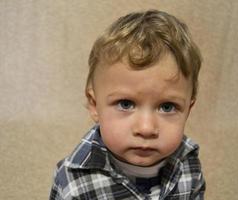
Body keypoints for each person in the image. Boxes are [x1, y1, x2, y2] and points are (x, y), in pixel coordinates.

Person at [49, 9, 206, 200]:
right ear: (94, 104)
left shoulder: (188, 163)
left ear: (188, 110)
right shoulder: (74, 182)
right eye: (125, 104)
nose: (146, 128)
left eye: (167, 107)